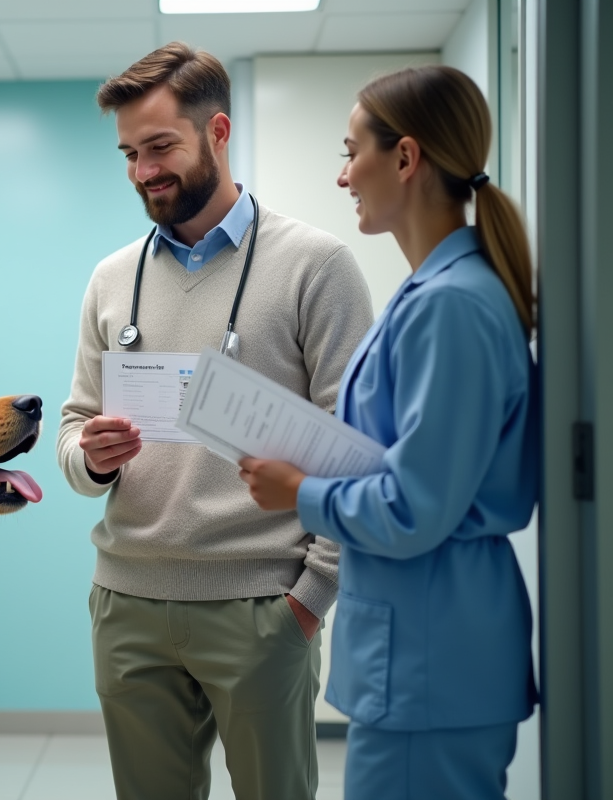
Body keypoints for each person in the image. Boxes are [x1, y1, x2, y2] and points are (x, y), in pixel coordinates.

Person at [57, 42, 375, 800]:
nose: (143, 171)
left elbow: (356, 449)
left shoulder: (315, 265)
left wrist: (309, 598)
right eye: (130, 153)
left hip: (261, 606)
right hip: (127, 602)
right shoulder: (111, 277)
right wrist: (90, 457)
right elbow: (73, 427)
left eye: (161, 146)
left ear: (219, 132)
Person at [237, 65, 539, 800]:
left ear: (405, 159)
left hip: (432, 664)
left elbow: (416, 506)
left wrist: (301, 492)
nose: (344, 177)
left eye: (352, 152)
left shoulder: (453, 308)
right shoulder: (430, 293)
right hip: (422, 654)